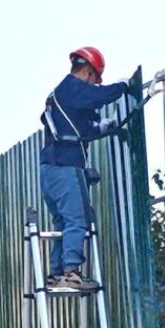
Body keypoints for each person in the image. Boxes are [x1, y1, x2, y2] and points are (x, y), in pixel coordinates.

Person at [39, 46, 130, 291]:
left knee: (63, 223)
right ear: (88, 71)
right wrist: (123, 86)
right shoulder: (73, 87)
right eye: (95, 80)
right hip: (67, 167)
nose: (95, 85)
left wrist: (103, 128)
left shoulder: (60, 95)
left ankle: (56, 274)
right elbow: (98, 97)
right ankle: (72, 273)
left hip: (49, 170)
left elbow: (78, 128)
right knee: (78, 220)